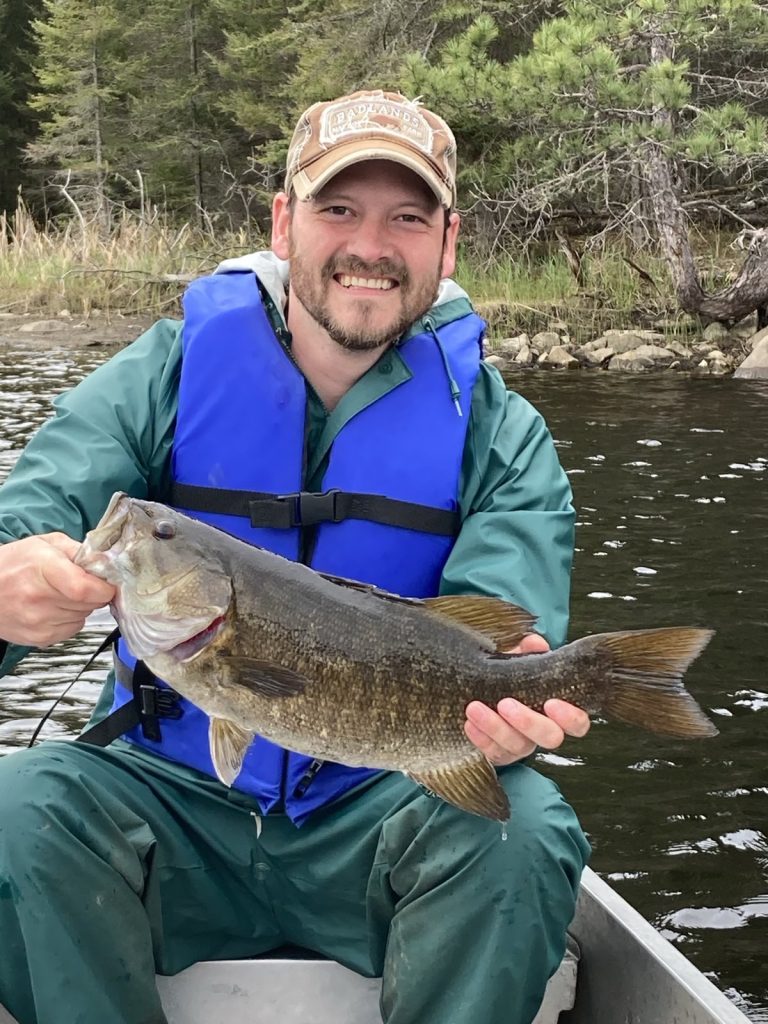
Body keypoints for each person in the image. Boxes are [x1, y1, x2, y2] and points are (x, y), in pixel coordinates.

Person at [0, 89, 591, 1024]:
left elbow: (501, 626)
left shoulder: (500, 433)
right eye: (338, 209)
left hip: (382, 811)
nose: (371, 244)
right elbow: (23, 521)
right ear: (283, 222)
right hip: (168, 800)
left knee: (523, 835)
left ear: (448, 242)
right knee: (17, 805)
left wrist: (517, 705)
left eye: (407, 217)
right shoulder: (162, 375)